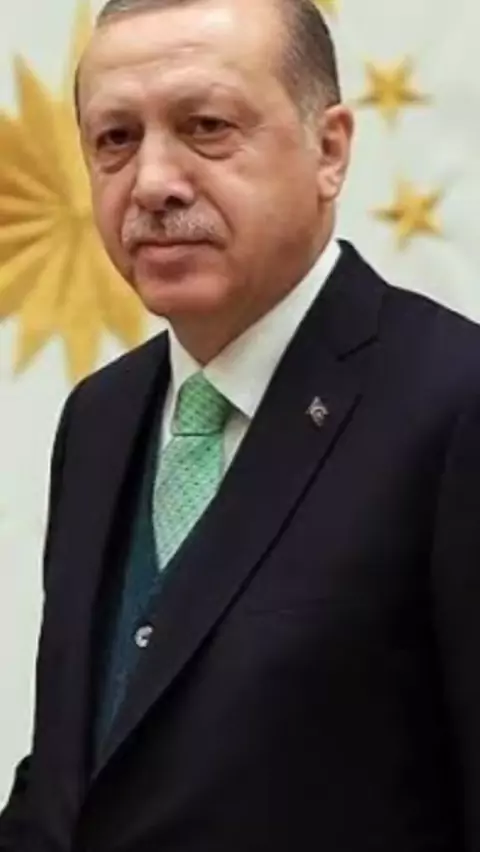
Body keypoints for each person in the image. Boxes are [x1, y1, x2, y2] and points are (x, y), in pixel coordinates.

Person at [2, 0, 480, 849]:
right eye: (116, 139)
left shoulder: (455, 401)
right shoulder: (100, 416)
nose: (153, 182)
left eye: (207, 126)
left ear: (330, 150)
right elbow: (77, 774)